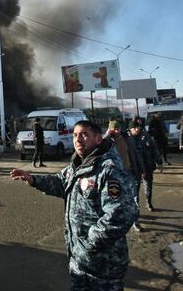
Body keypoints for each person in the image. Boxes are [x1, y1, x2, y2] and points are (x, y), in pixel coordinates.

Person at [11, 121, 138, 290]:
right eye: (75, 135)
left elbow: (121, 215)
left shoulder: (109, 170)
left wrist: (87, 246)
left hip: (104, 266)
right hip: (79, 262)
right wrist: (33, 180)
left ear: (99, 139)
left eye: (84, 135)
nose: (78, 140)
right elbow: (60, 182)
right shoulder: (78, 164)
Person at [128, 120, 162, 212]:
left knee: (148, 187)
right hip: (135, 169)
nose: (137, 129)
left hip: (148, 166)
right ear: (130, 129)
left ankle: (149, 203)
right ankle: (136, 210)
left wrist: (159, 162)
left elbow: (154, 149)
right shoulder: (127, 139)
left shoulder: (146, 136)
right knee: (135, 192)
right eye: (135, 128)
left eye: (138, 127)